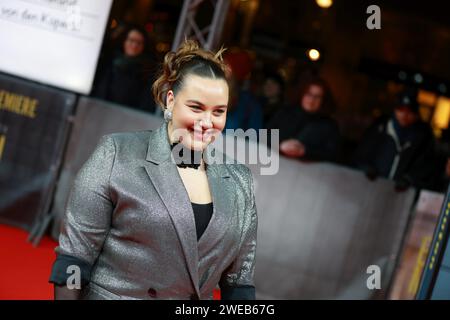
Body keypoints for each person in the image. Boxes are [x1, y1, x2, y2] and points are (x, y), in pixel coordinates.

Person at [49, 40, 258, 300]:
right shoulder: (117, 153)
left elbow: (239, 286)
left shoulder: (240, 182)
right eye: (196, 107)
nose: (207, 122)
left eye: (218, 112)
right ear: (171, 101)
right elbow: (74, 260)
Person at [354, 88, 435, 191]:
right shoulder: (380, 127)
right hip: (370, 189)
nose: (404, 115)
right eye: (400, 110)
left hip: (399, 197)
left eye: (410, 111)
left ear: (416, 115)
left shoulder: (423, 137)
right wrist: (366, 168)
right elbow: (360, 154)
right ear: (394, 110)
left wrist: (409, 179)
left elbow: (426, 167)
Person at [267, 76, 340, 162]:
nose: (312, 99)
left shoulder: (329, 125)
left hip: (308, 171)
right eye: (308, 94)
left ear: (323, 100)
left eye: (317, 96)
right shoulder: (284, 113)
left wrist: (305, 151)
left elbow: (333, 155)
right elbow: (263, 136)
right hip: (275, 164)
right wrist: (280, 145)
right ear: (301, 94)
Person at [92, 25, 156, 113]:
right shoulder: (109, 63)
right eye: (131, 40)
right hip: (100, 113)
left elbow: (145, 106)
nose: (134, 45)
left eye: (139, 42)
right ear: (124, 41)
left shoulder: (146, 71)